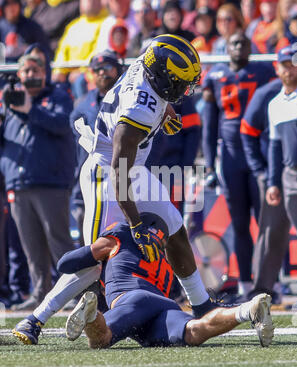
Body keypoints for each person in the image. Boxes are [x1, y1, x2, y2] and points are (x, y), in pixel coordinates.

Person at [63, 34, 218, 319]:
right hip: (106, 174)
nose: (184, 90)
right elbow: (118, 170)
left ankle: (201, 304)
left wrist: (164, 109)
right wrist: (135, 223)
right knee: (97, 258)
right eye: (180, 83)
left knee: (174, 226)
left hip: (132, 167)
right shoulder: (139, 109)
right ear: (162, 75)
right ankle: (39, 318)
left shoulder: (147, 64)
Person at [13, 213, 275, 348]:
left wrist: (97, 253)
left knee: (101, 340)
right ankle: (246, 310)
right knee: (195, 331)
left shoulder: (121, 234)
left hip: (131, 298)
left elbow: (64, 264)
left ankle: (92, 314)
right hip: (163, 304)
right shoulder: (164, 255)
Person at [0, 52, 76, 310]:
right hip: (18, 183)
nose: (30, 75)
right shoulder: (11, 103)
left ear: (44, 72)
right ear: (19, 75)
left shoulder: (58, 97)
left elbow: (62, 124)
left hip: (50, 182)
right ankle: (40, 293)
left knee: (59, 242)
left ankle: (75, 292)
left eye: (35, 70)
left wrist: (31, 110)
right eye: (25, 71)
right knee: (31, 245)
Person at [201, 31, 273, 300]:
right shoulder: (216, 76)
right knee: (240, 224)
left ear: (251, 47)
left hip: (259, 157)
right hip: (231, 159)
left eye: (243, 42)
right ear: (226, 47)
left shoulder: (264, 72)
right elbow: (209, 126)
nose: (239, 46)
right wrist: (209, 166)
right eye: (235, 42)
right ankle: (244, 284)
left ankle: (270, 284)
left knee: (266, 224)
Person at [240, 77, 290, 303]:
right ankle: (262, 290)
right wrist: (261, 171)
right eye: (288, 64)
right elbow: (247, 131)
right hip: (278, 173)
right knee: (271, 231)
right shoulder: (270, 94)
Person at [70, 50, 124, 247]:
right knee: (88, 242)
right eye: (97, 69)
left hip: (123, 177)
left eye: (108, 68)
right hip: (91, 177)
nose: (102, 73)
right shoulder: (81, 104)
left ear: (118, 69)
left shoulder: (128, 98)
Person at [266, 45, 297, 239]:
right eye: (284, 65)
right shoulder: (274, 105)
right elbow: (275, 146)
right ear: (277, 68)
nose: (289, 69)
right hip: (291, 178)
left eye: (293, 64)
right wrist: (273, 182)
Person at [52, 0, 108, 99]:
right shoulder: (73, 26)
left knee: (80, 81)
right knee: (54, 83)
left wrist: (82, 70)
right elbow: (62, 51)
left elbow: (99, 51)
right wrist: (59, 71)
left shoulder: (106, 23)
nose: (89, 2)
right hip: (69, 75)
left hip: (89, 74)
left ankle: (83, 113)